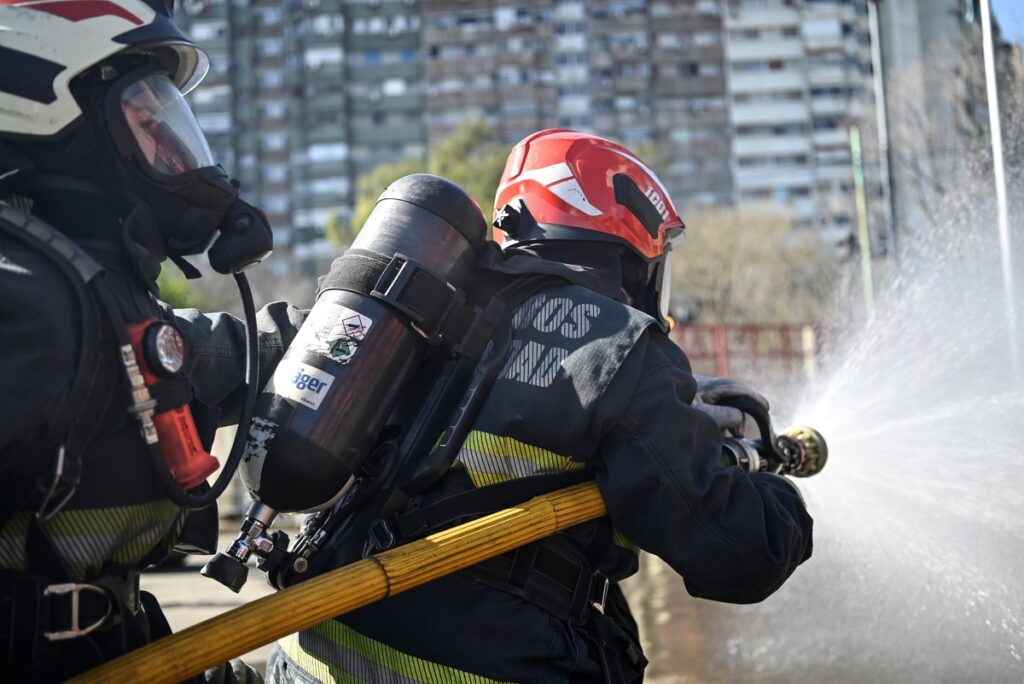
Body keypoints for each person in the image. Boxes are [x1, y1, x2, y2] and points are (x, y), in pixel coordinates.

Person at [266, 129, 813, 682]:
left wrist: (683, 416)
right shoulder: (621, 346)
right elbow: (739, 556)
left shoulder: (423, 304)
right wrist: (776, 493)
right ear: (633, 243)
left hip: (311, 649)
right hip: (481, 667)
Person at [0, 1, 305, 680]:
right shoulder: (24, 303)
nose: (170, 145)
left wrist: (339, 336)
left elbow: (184, 355)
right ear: (48, 109)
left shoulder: (78, 293)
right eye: (145, 117)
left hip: (116, 647)